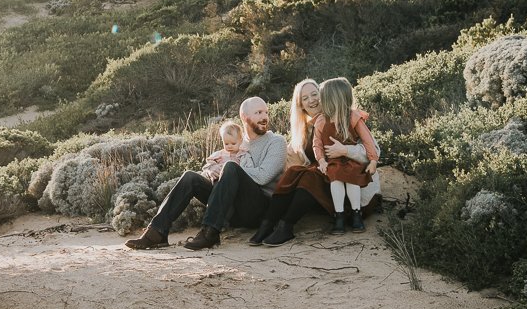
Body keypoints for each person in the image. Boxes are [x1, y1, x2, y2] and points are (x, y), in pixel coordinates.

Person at [125, 97, 286, 251]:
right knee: (190, 177)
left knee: (230, 167)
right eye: (258, 113)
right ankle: (156, 232)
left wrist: (226, 168)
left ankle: (210, 232)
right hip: (230, 207)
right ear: (244, 117)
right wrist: (209, 170)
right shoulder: (235, 141)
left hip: (257, 208)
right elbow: (218, 167)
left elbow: (264, 176)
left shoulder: (276, 141)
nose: (264, 117)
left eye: (266, 112)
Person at [248, 79, 369, 247]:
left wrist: (345, 151)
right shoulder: (304, 132)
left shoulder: (346, 116)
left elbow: (373, 151)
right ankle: (267, 225)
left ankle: (286, 227)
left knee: (309, 176)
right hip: (321, 187)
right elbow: (287, 166)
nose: (311, 100)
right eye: (305, 98)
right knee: (294, 173)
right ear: (301, 105)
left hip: (347, 184)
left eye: (315, 94)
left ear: (324, 95)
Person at [313, 77, 380, 234]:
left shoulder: (353, 117)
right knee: (335, 181)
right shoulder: (322, 121)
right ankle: (339, 216)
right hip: (334, 162)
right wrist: (321, 160)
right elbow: (317, 144)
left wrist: (373, 160)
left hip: (352, 161)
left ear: (332, 99)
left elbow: (368, 141)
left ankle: (357, 215)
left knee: (352, 180)